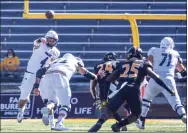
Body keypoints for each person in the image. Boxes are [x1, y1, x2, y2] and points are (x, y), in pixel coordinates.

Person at [89, 46, 175, 132]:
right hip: (134, 89)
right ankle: (119, 125)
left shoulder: (122, 64)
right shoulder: (144, 63)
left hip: (120, 89)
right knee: (136, 114)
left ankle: (99, 123)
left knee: (110, 111)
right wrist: (168, 89)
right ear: (140, 56)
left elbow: (107, 81)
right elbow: (156, 78)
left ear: (128, 55)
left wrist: (104, 98)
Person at [32, 53, 97, 131]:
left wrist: (36, 86)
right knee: (66, 105)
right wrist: (96, 76)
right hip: (60, 76)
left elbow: (40, 71)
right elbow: (86, 73)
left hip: (46, 77)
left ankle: (47, 108)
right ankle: (59, 124)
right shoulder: (75, 61)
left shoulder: (56, 61)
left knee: (52, 102)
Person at [136, 37, 187, 130]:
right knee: (176, 102)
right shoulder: (175, 53)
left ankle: (142, 121)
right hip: (169, 80)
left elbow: (149, 63)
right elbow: (182, 70)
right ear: (171, 45)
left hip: (155, 78)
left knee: (146, 100)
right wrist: (183, 73)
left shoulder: (154, 50)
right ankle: (183, 115)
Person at [17, 30, 60, 123]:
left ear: (56, 41)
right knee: (23, 97)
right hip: (30, 73)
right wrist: (40, 39)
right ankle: (21, 110)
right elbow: (35, 42)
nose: (52, 41)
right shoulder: (41, 44)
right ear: (46, 38)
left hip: (42, 76)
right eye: (50, 39)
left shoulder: (56, 52)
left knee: (48, 98)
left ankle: (50, 119)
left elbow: (51, 64)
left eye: (54, 40)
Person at [89, 52, 128, 132]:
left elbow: (92, 85)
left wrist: (95, 98)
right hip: (114, 87)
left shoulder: (97, 65)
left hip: (102, 89)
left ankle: (120, 122)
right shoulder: (116, 63)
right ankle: (124, 121)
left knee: (109, 108)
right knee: (112, 108)